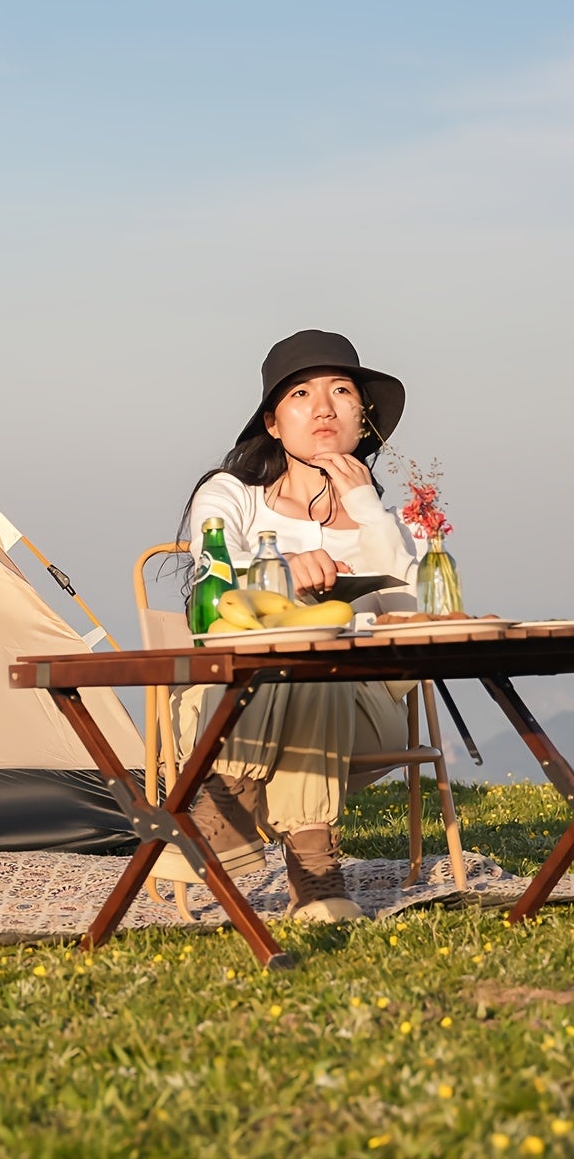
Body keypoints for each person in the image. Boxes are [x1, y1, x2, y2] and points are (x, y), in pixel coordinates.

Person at [162, 329, 420, 923]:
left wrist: (366, 511)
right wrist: (277, 572)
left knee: (319, 658)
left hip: (364, 714)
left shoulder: (377, 518)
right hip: (222, 701)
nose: (323, 406)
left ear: (364, 418)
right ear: (273, 423)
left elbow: (413, 621)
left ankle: (226, 805)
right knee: (304, 653)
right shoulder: (230, 497)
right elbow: (215, 584)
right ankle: (317, 880)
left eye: (341, 391)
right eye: (300, 393)